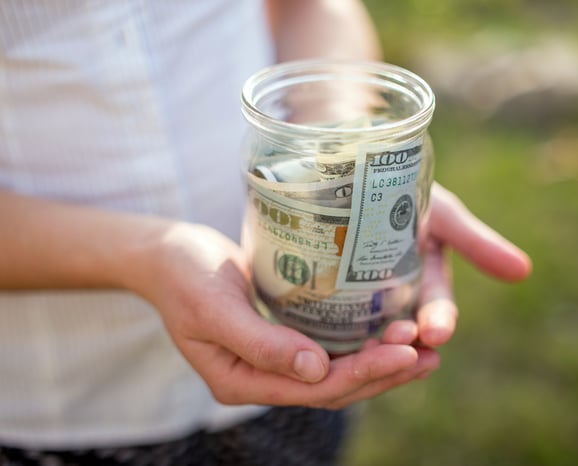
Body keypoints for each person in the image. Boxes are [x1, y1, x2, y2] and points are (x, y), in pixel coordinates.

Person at [0, 0, 531, 465]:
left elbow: (312, 5)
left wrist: (343, 159)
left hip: (293, 370)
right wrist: (147, 257)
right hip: (59, 411)